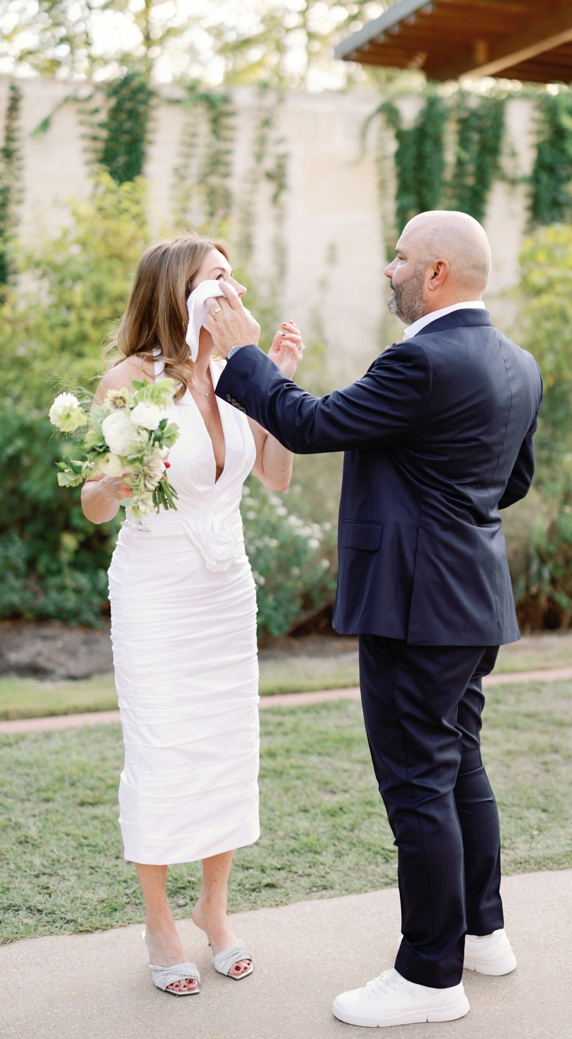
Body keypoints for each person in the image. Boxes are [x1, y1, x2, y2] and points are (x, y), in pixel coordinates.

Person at [204, 209, 540, 1028]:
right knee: (459, 762)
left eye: (398, 258)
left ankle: (428, 974)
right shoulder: (517, 362)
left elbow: (310, 424)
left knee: (418, 782)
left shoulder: (420, 360)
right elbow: (514, 480)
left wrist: (243, 351)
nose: (387, 270)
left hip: (415, 606)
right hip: (474, 601)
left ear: (435, 273)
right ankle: (481, 930)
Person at [83, 236, 302, 996]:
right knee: (161, 748)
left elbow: (274, 476)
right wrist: (120, 474)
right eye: (216, 276)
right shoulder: (130, 379)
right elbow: (92, 500)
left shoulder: (237, 375)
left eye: (231, 274)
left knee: (225, 745)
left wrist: (276, 388)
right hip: (157, 590)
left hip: (223, 592)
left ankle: (214, 907)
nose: (231, 286)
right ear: (180, 291)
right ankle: (158, 920)